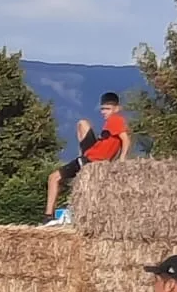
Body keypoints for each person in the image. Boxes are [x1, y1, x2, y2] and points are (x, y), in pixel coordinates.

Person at [46, 91, 131, 224]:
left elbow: (125, 139)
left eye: (108, 109)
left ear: (117, 109)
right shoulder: (111, 122)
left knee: (53, 178)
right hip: (92, 154)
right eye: (102, 109)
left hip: (93, 160)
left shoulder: (116, 119)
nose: (104, 112)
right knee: (82, 123)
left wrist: (122, 160)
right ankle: (82, 155)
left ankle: (48, 217)